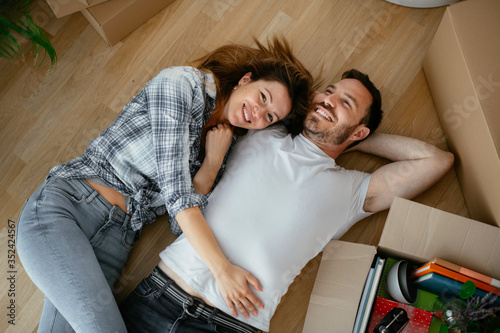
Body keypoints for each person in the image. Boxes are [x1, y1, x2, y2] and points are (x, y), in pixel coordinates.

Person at [118, 69, 455, 333]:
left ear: (359, 132)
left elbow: (437, 161)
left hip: (226, 326)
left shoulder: (354, 191)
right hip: (159, 293)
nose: (329, 100)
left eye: (345, 103)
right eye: (329, 92)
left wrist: (349, 137)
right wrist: (331, 118)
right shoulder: (264, 128)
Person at [16, 37, 314, 333]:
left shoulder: (222, 151)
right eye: (263, 97)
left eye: (270, 116)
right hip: (67, 209)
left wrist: (211, 165)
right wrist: (222, 269)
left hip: (116, 241)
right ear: (245, 80)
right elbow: (177, 198)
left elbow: (176, 223)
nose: (258, 114)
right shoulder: (182, 84)